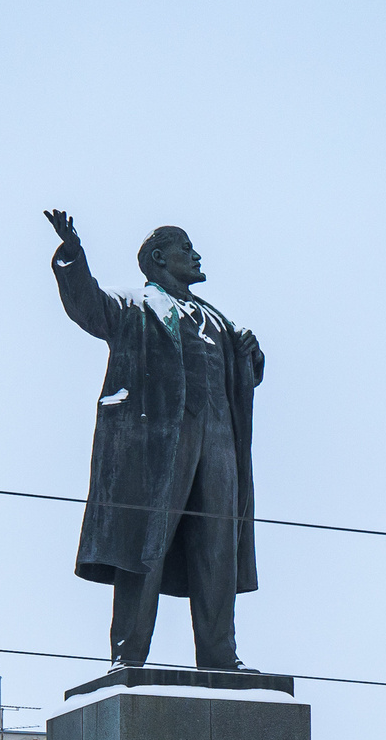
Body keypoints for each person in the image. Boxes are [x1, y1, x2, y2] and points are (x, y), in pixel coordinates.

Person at [45, 210, 265, 672]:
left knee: (217, 550)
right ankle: (129, 657)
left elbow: (243, 379)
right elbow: (89, 308)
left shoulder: (218, 322)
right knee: (144, 548)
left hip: (219, 448)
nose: (197, 255)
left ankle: (220, 656)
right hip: (156, 448)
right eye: (187, 248)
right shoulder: (135, 307)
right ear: (160, 258)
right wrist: (71, 256)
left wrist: (250, 355)